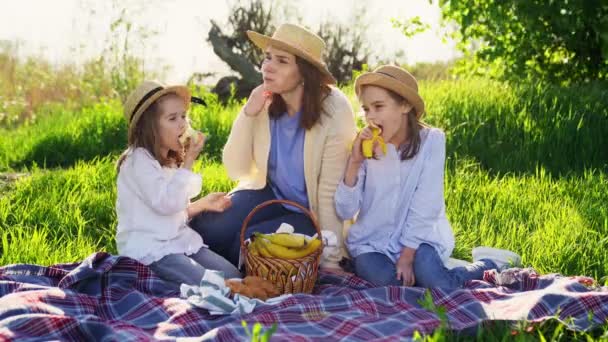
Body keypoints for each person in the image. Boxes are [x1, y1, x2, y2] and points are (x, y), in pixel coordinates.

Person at [334, 66, 521, 288]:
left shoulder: (431, 141)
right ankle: (430, 272)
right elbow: (345, 210)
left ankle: (490, 262)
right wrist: (354, 163)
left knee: (438, 284)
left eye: (378, 107)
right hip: (372, 244)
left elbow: (427, 203)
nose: (370, 117)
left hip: (419, 240)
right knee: (393, 286)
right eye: (366, 109)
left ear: (405, 105)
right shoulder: (365, 146)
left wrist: (407, 256)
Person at [189, 23, 357, 269]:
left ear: (304, 72)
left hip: (312, 212)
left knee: (246, 246)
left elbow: (330, 192)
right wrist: (248, 113)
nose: (268, 66)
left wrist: (330, 259)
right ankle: (215, 265)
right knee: (207, 227)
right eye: (267, 58)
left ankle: (229, 267)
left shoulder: (335, 110)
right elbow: (236, 168)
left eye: (281, 61)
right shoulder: (266, 101)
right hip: (270, 195)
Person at [115, 80, 242, 288]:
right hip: (152, 250)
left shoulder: (169, 161)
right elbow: (167, 204)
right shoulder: (138, 161)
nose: (182, 124)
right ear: (151, 127)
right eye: (172, 118)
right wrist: (189, 160)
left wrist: (202, 204)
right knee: (216, 287)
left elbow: (173, 214)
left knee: (234, 276)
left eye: (183, 116)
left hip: (178, 241)